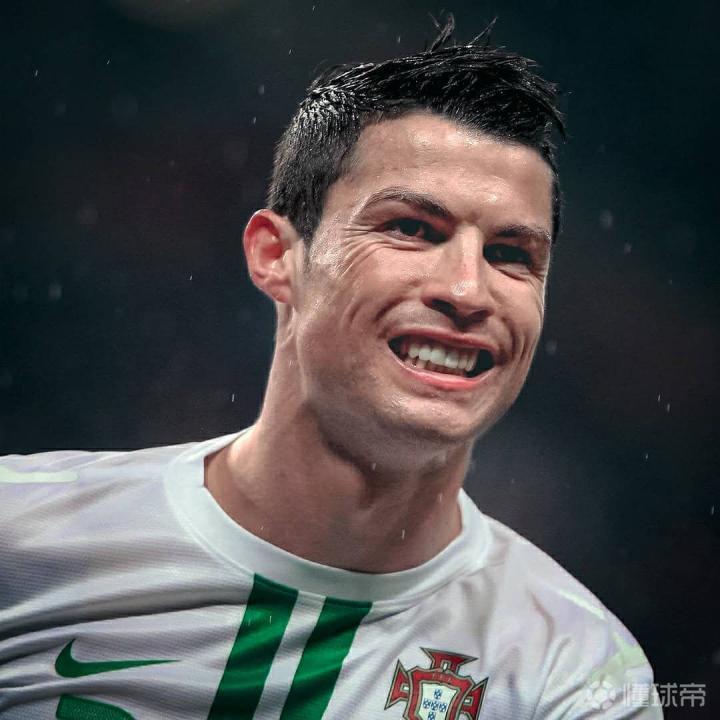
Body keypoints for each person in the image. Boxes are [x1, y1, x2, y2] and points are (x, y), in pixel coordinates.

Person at [0, 21, 661, 720]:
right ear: (276, 256)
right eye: (412, 228)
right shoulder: (23, 540)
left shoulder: (571, 673)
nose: (469, 291)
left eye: (510, 255)